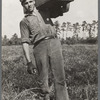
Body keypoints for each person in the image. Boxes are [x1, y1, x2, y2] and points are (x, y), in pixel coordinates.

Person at [19, 0, 69, 100]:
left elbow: (65, 9)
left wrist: (67, 1)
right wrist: (29, 62)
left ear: (35, 2)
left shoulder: (45, 10)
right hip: (39, 46)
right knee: (43, 80)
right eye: (26, 3)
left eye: (31, 1)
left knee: (60, 78)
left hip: (54, 43)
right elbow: (25, 42)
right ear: (23, 5)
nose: (29, 4)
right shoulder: (24, 21)